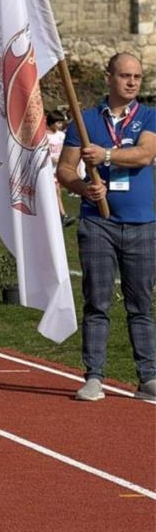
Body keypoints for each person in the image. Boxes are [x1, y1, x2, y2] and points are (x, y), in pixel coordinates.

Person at [56, 52, 156, 403]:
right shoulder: (84, 122)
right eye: (125, 75)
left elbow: (145, 155)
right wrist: (84, 187)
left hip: (142, 224)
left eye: (138, 77)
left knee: (140, 304)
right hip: (98, 223)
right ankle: (94, 376)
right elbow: (64, 171)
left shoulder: (149, 116)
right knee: (97, 301)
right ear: (109, 77)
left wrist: (107, 156)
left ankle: (148, 377)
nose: (132, 82)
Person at [45, 111, 75, 228]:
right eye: (58, 122)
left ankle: (57, 216)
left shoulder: (61, 135)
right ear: (51, 123)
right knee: (56, 192)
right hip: (48, 169)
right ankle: (63, 216)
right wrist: (52, 158)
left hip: (59, 169)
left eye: (61, 122)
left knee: (56, 193)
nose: (60, 125)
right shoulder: (45, 136)